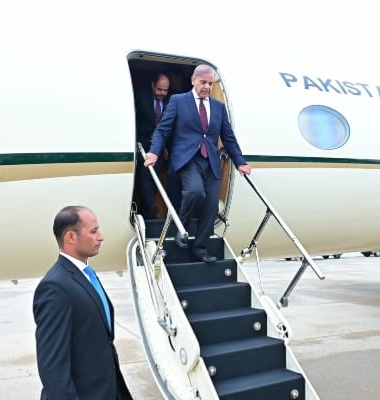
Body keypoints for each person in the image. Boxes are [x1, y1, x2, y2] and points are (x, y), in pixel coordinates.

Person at [144, 64, 251, 263]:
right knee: (194, 192)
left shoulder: (218, 106)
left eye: (210, 83)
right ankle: (180, 228)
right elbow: (162, 130)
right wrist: (154, 152)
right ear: (193, 80)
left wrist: (240, 162)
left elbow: (228, 136)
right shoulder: (178, 101)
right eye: (203, 82)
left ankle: (200, 248)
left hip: (210, 160)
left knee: (211, 206)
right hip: (186, 159)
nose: (207, 87)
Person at [33, 205, 133, 400]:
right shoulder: (55, 287)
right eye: (94, 231)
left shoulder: (86, 275)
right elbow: (53, 368)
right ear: (71, 237)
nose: (101, 237)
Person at [134, 72, 171, 219]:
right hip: (143, 147)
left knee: (154, 183)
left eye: (166, 90)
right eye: (159, 89)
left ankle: (147, 214)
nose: (163, 93)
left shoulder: (171, 101)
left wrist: (165, 145)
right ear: (152, 85)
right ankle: (149, 211)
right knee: (144, 182)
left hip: (160, 149)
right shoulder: (140, 97)